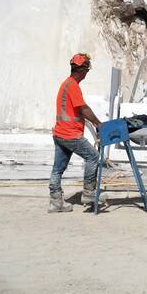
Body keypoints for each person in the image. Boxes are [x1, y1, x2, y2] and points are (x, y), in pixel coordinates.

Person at [48, 53, 104, 213]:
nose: (87, 74)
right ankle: (88, 193)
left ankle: (56, 202)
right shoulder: (72, 86)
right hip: (70, 134)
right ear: (82, 70)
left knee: (58, 169)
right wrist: (99, 123)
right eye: (87, 70)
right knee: (93, 157)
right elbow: (83, 109)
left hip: (60, 133)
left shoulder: (66, 84)